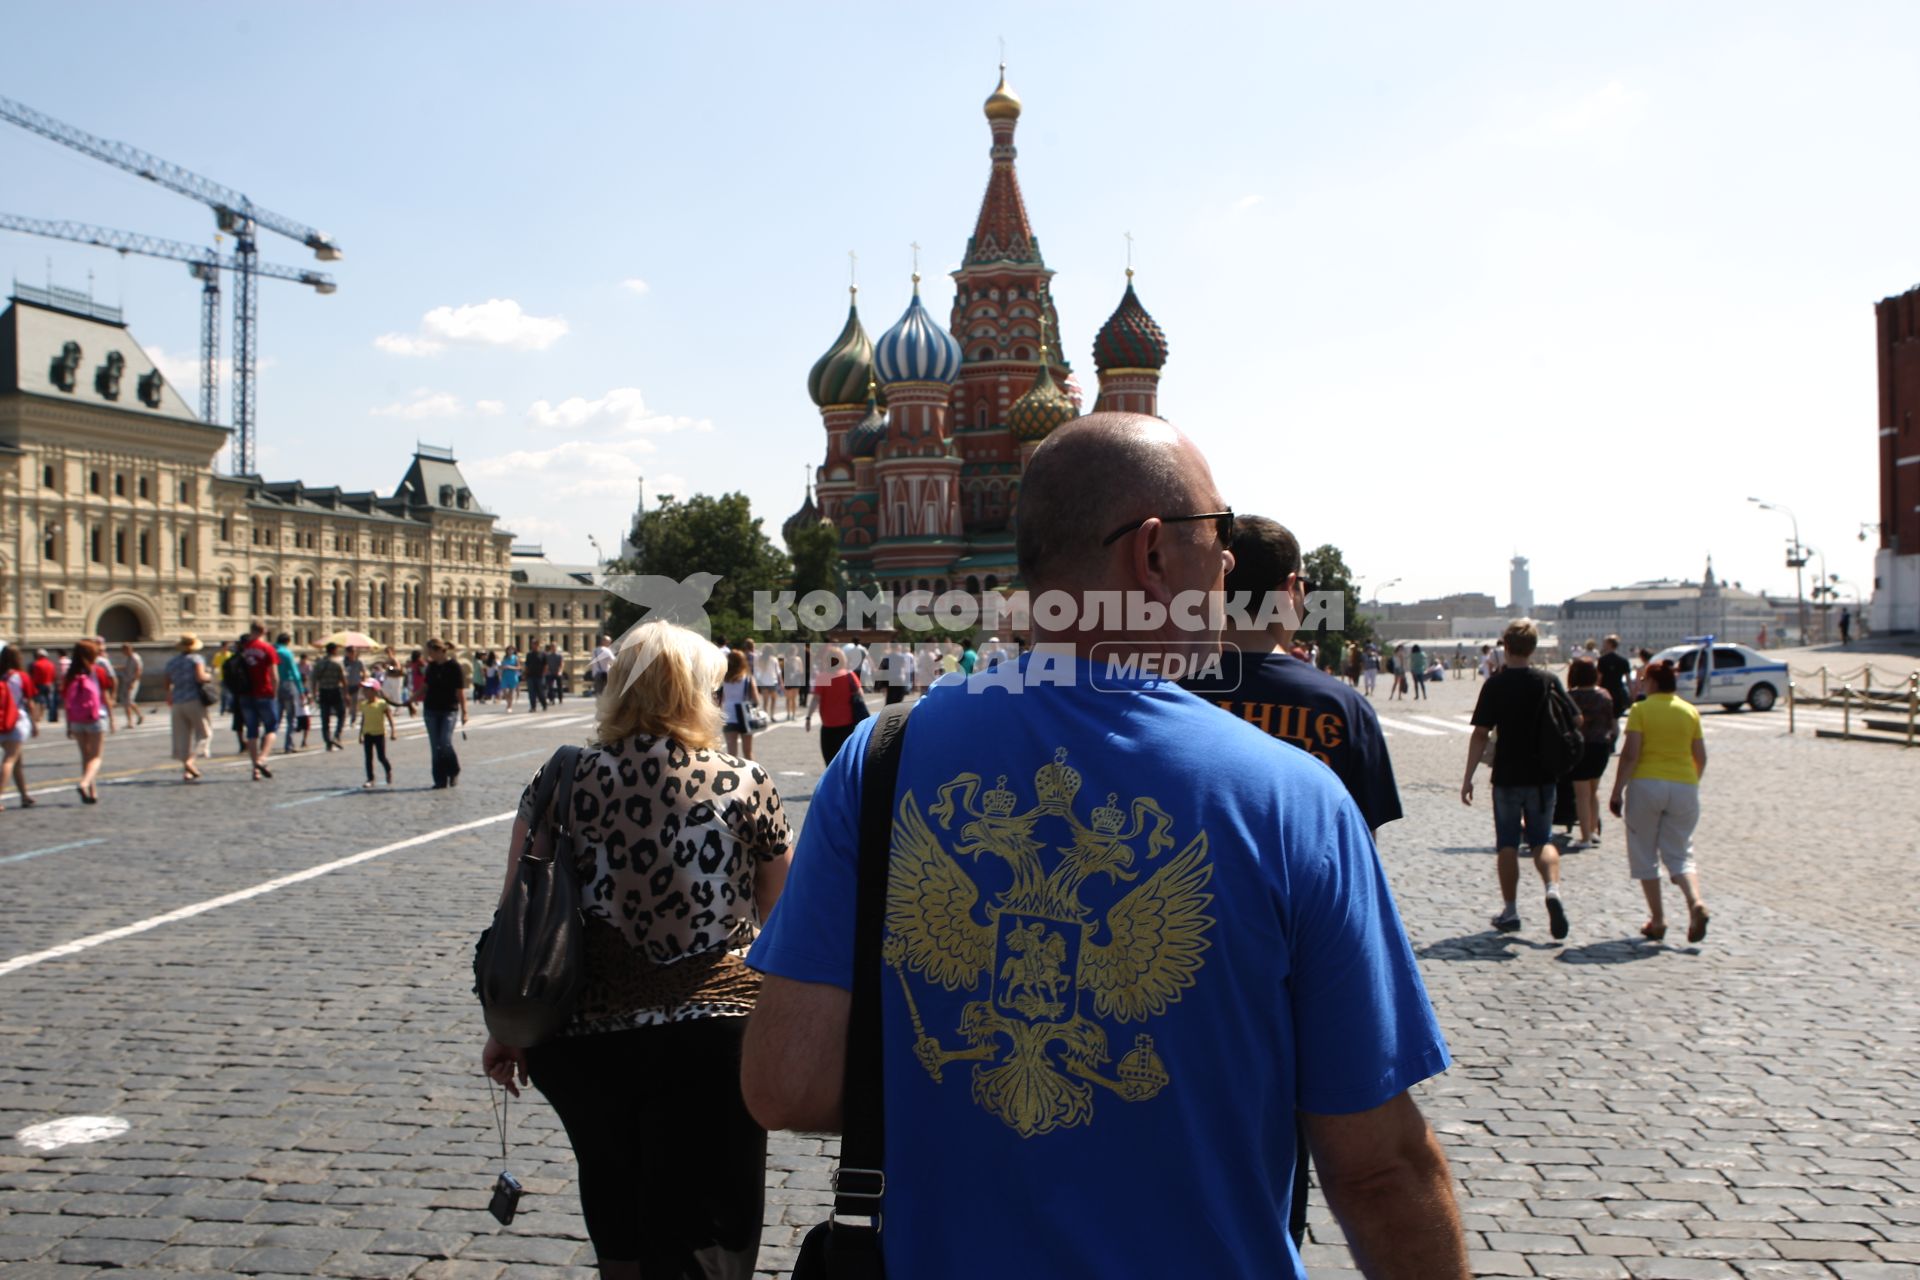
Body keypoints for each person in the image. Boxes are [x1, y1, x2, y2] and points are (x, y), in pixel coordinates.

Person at [741, 413, 1467, 1280]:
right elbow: (1380, 1166)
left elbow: (787, 1083)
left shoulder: (884, 759)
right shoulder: (1291, 798)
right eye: (1219, 533)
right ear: (1153, 554)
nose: (1231, 561)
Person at [482, 621, 794, 1280]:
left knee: (615, 1194)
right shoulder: (742, 779)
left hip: (584, 1031)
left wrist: (506, 1026)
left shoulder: (561, 776)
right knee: (718, 1213)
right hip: (716, 1033)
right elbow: (785, 917)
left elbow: (519, 910)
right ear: (696, 694)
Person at [1178, 514, 1405, 1249]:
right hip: (1289, 982)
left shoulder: (1161, 691)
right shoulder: (1338, 710)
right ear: (1294, 592)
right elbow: (1356, 870)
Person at [1462, 618, 1581, 938]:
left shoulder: (1496, 684)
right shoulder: (1547, 680)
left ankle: (1511, 910)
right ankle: (1552, 890)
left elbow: (1480, 734)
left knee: (1507, 845)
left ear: (1506, 645)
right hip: (1542, 775)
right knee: (1543, 840)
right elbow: (1576, 717)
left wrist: (1468, 777)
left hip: (1507, 776)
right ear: (1533, 647)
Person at [1609, 659, 1711, 943]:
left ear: (1652, 683)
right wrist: (1691, 782)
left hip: (1646, 785)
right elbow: (1700, 756)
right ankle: (1695, 903)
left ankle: (1658, 920)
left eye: (1644, 681)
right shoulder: (1689, 711)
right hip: (1684, 786)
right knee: (1680, 853)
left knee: (1644, 852)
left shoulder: (1641, 710)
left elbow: (1630, 755)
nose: (1641, 685)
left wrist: (1617, 791)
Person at [1565, 657, 1617, 847]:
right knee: (1594, 790)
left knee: (1581, 794)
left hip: (1580, 747)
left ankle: (1585, 836)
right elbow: (1611, 721)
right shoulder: (1604, 695)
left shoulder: (1571, 696)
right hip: (1601, 746)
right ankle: (1593, 831)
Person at [63, 640, 109, 803]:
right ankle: (84, 783)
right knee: (96, 757)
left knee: (85, 756)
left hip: (76, 719)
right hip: (96, 717)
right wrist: (112, 717)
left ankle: (92, 791)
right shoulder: (98, 671)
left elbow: (66, 702)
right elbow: (105, 696)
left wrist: (68, 725)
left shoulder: (69, 675)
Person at [163, 634, 213, 782]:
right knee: (204, 733)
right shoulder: (196, 659)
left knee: (183, 737)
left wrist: (171, 694)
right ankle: (190, 762)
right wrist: (210, 676)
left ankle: (187, 772)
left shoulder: (172, 662)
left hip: (178, 701)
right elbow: (200, 677)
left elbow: (166, 683)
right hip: (194, 699)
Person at [422, 639, 469, 789]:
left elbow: (460, 691)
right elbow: (425, 686)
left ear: (439, 651)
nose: (429, 655)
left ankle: (453, 770)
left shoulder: (454, 666)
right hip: (431, 709)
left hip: (449, 709)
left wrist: (464, 712)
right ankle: (439, 780)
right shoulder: (431, 667)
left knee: (445, 742)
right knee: (435, 746)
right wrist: (409, 700)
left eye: (430, 651)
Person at [803, 648, 864, 765]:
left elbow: (816, 699)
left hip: (828, 726)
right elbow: (860, 695)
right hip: (848, 725)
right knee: (847, 762)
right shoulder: (850, 675)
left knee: (830, 762)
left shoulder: (823, 677)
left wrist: (808, 717)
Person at [238, 623, 280, 779]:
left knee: (251, 731)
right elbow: (274, 676)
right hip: (264, 692)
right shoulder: (267, 649)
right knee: (271, 728)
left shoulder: (243, 649)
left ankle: (254, 770)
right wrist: (274, 693)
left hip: (245, 694)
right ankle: (262, 759)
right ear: (265, 631)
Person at [1, 646, 39, 809]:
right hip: (16, 721)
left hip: (2, 721)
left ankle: (24, 795)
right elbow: (30, 702)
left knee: (17, 760)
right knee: (10, 759)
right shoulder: (22, 676)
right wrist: (35, 723)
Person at [358, 680, 399, 788]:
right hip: (367, 733)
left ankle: (388, 770)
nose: (365, 692)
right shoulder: (363, 705)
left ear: (375, 691)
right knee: (368, 757)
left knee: (381, 757)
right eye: (364, 690)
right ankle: (370, 778)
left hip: (379, 734)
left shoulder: (382, 704)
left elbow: (390, 718)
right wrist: (360, 735)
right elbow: (363, 720)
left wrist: (393, 731)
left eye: (368, 690)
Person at [720, 647, 757, 760]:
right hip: (745, 716)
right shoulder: (748, 679)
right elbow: (756, 700)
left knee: (731, 753)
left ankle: (732, 776)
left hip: (728, 715)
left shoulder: (723, 679)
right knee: (748, 752)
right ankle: (752, 776)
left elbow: (719, 700)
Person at [312, 642, 348, 752]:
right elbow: (343, 679)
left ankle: (327, 740)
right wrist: (346, 694)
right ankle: (337, 736)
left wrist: (314, 694)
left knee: (325, 718)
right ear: (334, 650)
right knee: (341, 714)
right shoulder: (338, 663)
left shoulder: (319, 663)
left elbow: (314, 679)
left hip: (323, 691)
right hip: (335, 691)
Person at [274, 633, 305, 754]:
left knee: (276, 717)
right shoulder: (287, 653)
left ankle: (266, 740)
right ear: (287, 641)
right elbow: (295, 673)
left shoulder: (271, 651)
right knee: (290, 717)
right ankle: (289, 744)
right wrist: (301, 690)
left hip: (274, 686)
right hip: (288, 685)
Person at [1596, 635, 1632, 721]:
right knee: (1615, 718)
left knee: (1604, 716)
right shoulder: (1623, 660)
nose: (1603, 645)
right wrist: (1630, 693)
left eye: (1605, 643)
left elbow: (1599, 678)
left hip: (1605, 691)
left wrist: (1596, 690)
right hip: (1618, 690)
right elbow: (1628, 679)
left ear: (1609, 644)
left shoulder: (1602, 660)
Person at [114, 641, 146, 729]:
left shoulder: (135, 658)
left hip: (132, 682)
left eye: (123, 650)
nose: (122, 653)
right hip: (127, 681)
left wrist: (133, 682)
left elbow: (138, 670)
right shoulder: (129, 658)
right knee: (127, 702)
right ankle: (140, 716)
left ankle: (130, 722)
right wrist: (116, 667)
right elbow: (128, 668)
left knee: (128, 702)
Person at [31, 649, 59, 725]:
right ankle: (52, 717)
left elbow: (35, 676)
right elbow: (54, 675)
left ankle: (38, 717)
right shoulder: (51, 664)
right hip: (49, 684)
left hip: (39, 684)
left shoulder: (36, 664)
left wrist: (33, 684)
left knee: (39, 701)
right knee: (51, 701)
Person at [343, 647, 365, 726]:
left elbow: (363, 672)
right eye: (351, 652)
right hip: (346, 685)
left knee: (354, 702)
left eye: (354, 652)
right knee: (346, 702)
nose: (352, 654)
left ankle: (353, 718)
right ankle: (344, 718)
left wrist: (362, 681)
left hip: (356, 684)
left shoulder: (359, 662)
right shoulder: (345, 662)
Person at [523, 644, 547, 712]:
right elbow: (527, 665)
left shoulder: (543, 654)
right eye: (533, 645)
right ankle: (533, 707)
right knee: (531, 692)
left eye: (536, 645)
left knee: (540, 692)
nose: (534, 646)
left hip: (539, 676)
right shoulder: (529, 654)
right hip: (530, 675)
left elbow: (545, 665)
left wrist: (544, 673)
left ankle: (544, 704)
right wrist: (525, 673)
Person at [502, 645, 522, 711]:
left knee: (511, 691)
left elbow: (519, 667)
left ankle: (509, 706)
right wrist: (502, 667)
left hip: (512, 676)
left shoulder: (515, 658)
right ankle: (508, 702)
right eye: (509, 650)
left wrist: (510, 667)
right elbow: (501, 666)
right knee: (504, 691)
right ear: (507, 651)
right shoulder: (505, 658)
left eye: (512, 650)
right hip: (505, 676)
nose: (510, 651)